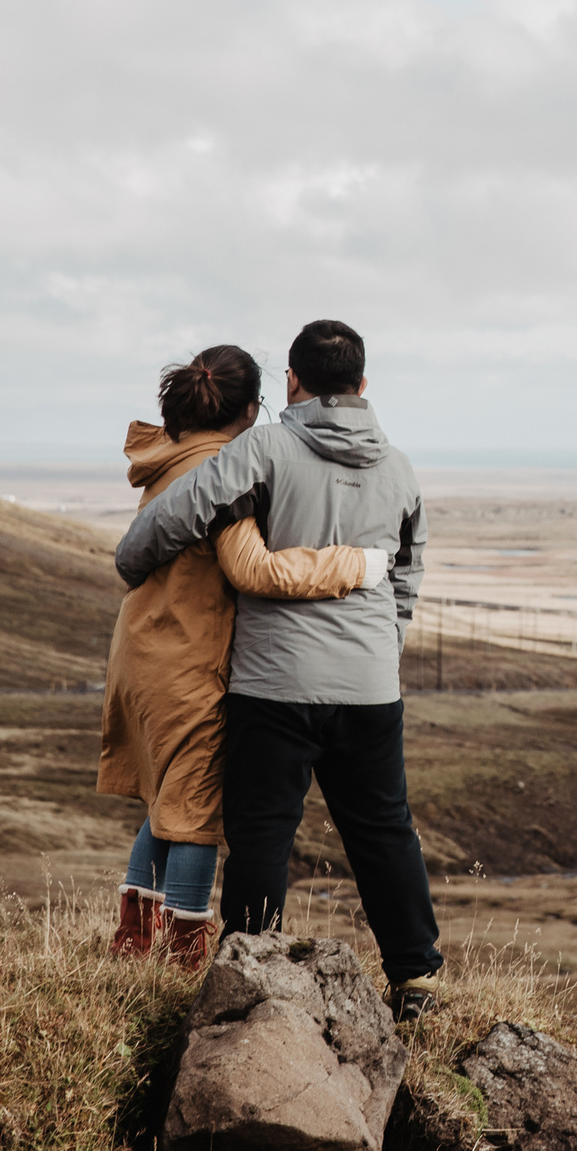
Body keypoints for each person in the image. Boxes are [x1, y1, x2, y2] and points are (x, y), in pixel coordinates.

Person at [112, 319, 441, 1014]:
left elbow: (181, 512)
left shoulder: (263, 447)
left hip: (273, 685)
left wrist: (132, 558)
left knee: (262, 832)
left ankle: (252, 973)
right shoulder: (400, 468)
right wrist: (382, 647)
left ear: (292, 381)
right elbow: (406, 575)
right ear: (362, 384)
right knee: (384, 829)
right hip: (369, 685)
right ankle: (415, 978)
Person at [99, 344, 374, 970]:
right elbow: (253, 569)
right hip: (189, 661)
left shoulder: (170, 459)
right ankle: (183, 956)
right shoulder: (222, 474)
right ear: (251, 408)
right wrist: (354, 563)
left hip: (145, 650)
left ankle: (133, 940)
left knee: (168, 800)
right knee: (196, 809)